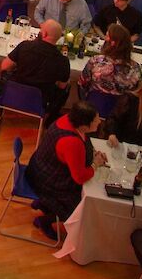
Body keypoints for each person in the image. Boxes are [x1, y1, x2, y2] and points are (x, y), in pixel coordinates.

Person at [24, 101, 107, 238]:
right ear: (84, 126)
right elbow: (79, 177)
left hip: (38, 169)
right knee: (80, 206)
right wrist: (96, 164)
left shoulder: (68, 119)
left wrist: (93, 155)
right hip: (47, 181)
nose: (99, 122)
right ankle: (44, 221)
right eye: (95, 120)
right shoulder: (72, 141)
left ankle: (44, 205)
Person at [0, 18, 71, 117]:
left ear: (44, 34)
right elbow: (62, 86)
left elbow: (4, 66)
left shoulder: (25, 46)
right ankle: (49, 119)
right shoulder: (63, 61)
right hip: (40, 101)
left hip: (14, 93)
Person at [80, 24, 142, 96]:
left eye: (106, 36)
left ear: (112, 43)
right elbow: (135, 94)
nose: (104, 39)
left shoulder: (95, 61)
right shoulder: (136, 69)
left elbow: (82, 84)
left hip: (93, 104)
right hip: (122, 106)